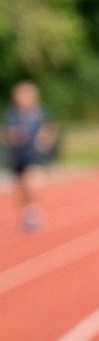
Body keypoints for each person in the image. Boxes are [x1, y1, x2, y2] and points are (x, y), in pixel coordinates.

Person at [2, 81, 56, 231]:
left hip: (35, 155)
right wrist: (13, 136)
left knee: (32, 182)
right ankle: (28, 212)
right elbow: (7, 134)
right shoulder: (12, 114)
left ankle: (35, 211)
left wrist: (45, 141)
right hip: (18, 156)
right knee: (21, 189)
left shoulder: (41, 112)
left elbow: (50, 129)